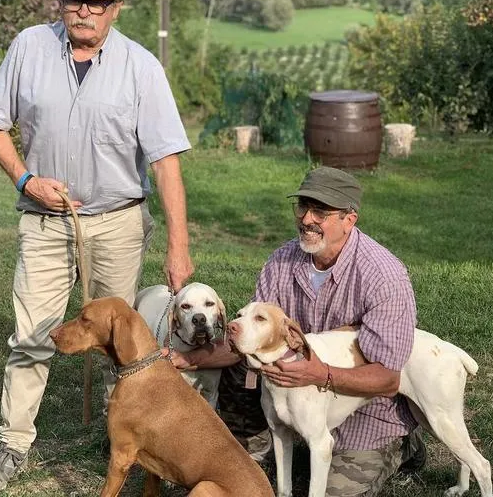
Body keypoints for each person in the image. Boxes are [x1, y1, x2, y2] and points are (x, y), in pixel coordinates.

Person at [0, 0, 194, 495]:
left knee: (125, 347)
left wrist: (178, 246)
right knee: (31, 336)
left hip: (118, 224)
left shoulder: (142, 67)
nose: (85, 11)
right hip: (44, 222)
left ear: (115, 9)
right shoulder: (28, 47)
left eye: (97, 3)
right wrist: (26, 180)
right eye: (75, 0)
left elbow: (165, 162)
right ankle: (13, 444)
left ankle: (122, 438)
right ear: (61, 2)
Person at [169, 166, 425, 496]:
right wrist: (186, 359)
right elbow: (244, 341)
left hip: (363, 412)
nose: (306, 219)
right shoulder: (280, 262)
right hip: (290, 394)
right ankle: (256, 447)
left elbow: (388, 379)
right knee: (239, 366)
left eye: (320, 211)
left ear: (349, 220)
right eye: (303, 206)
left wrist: (321, 374)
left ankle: (405, 444)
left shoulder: (384, 277)